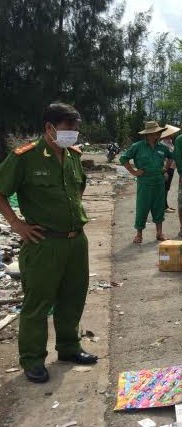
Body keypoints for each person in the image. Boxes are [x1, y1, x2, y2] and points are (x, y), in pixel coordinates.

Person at [0, 102, 98, 384]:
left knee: (72, 298)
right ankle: (32, 360)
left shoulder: (73, 156)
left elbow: (78, 188)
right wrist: (17, 225)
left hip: (76, 241)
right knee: (38, 303)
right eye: (69, 128)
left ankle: (68, 348)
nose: (74, 134)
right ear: (49, 128)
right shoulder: (25, 157)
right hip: (44, 243)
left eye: (76, 129)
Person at [120, 121, 173, 244]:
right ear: (148, 134)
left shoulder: (162, 148)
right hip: (144, 182)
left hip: (159, 182)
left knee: (159, 207)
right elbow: (123, 158)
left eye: (159, 133)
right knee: (142, 208)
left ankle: (159, 233)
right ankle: (139, 235)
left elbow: (171, 156)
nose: (158, 135)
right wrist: (134, 172)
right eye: (155, 133)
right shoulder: (138, 146)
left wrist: (165, 168)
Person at [159, 125, 180, 212]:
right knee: (164, 188)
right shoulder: (163, 144)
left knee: (166, 188)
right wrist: (165, 170)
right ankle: (163, 206)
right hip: (166, 168)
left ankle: (165, 205)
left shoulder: (170, 142)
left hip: (171, 168)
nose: (173, 134)